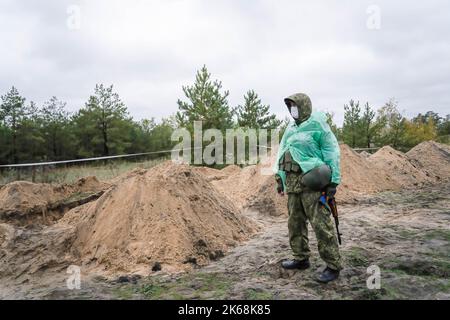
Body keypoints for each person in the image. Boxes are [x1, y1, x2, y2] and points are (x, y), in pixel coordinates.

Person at [274, 93, 342, 283]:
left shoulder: (318, 125)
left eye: (295, 106)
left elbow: (332, 153)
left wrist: (333, 182)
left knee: (321, 224)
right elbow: (282, 153)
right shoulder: (290, 128)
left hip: (313, 183)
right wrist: (279, 178)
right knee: (295, 223)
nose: (292, 110)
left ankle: (333, 265)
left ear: (304, 106)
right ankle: (301, 258)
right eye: (290, 107)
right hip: (293, 184)